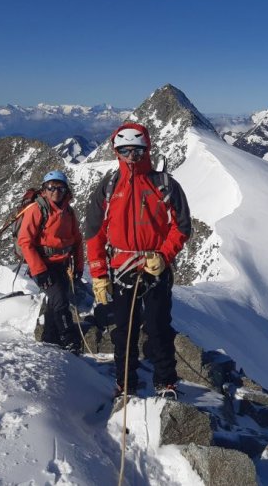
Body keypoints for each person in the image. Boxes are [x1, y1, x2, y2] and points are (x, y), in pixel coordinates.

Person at [85, 123, 191, 397]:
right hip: (122, 268)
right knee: (125, 330)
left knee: (158, 326)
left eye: (136, 150)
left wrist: (165, 255)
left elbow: (182, 226)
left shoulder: (164, 184)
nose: (131, 156)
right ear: (116, 152)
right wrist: (98, 274)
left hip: (155, 267)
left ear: (147, 150)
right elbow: (94, 233)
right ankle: (126, 383)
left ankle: (166, 381)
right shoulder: (109, 187)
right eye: (124, 150)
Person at [17, 170, 85, 354]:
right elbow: (25, 241)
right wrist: (39, 271)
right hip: (43, 265)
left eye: (60, 188)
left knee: (55, 302)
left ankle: (50, 339)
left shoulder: (68, 212)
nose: (56, 191)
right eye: (51, 188)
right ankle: (70, 340)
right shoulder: (37, 210)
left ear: (66, 190)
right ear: (44, 190)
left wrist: (78, 266)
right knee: (60, 300)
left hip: (62, 264)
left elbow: (77, 241)